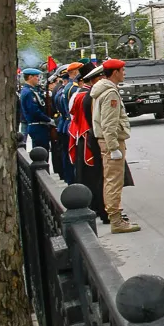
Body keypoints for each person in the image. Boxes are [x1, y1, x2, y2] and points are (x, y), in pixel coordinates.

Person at [90, 59, 139, 233]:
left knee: (111, 180)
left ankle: (115, 217)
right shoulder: (110, 93)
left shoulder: (103, 89)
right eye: (122, 70)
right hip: (111, 142)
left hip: (107, 141)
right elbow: (109, 123)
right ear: (115, 72)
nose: (124, 73)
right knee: (113, 181)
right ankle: (116, 221)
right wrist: (113, 147)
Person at [69, 63, 108, 226]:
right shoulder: (89, 96)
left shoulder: (80, 94)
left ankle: (96, 206)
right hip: (90, 138)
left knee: (90, 176)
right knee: (97, 176)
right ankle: (101, 208)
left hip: (83, 137)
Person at [19, 68, 53, 163]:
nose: (38, 79)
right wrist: (48, 119)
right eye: (36, 77)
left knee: (43, 151)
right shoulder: (29, 92)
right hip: (37, 125)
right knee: (41, 154)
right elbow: (34, 111)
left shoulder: (32, 90)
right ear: (30, 77)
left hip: (38, 125)